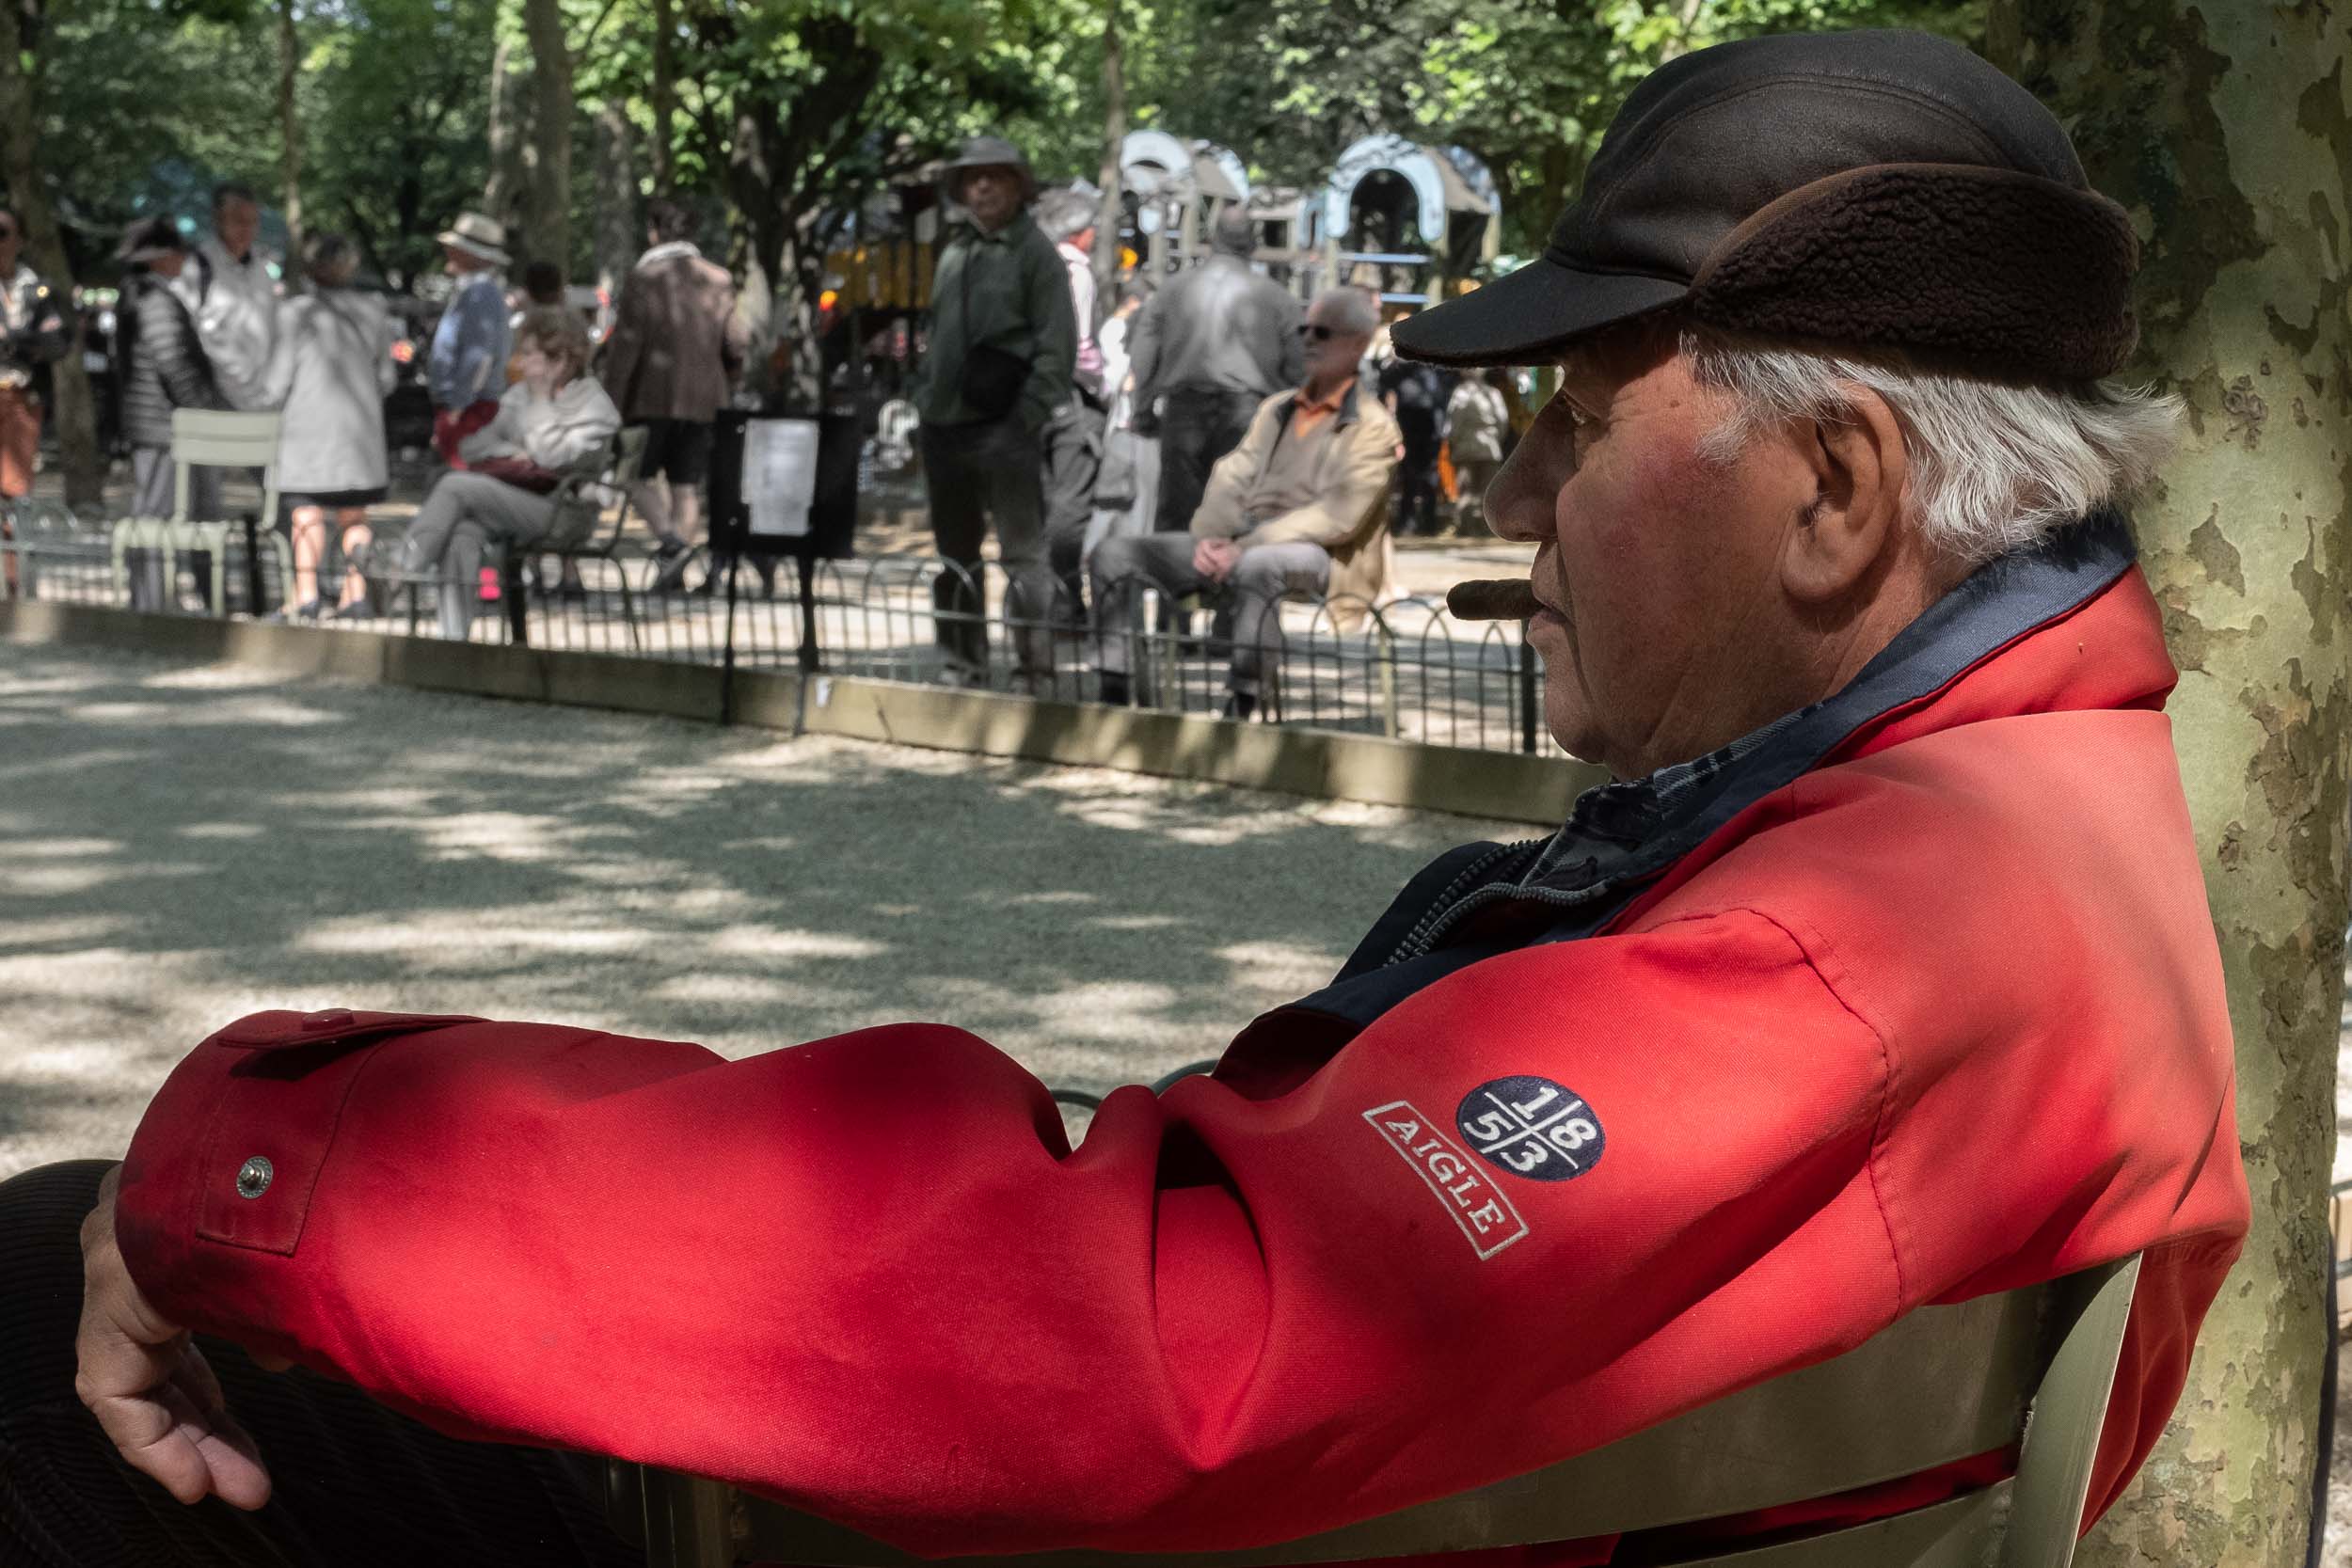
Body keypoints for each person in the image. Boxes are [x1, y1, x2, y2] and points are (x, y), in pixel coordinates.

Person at [5, 31, 2248, 1568]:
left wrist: (290, 1159)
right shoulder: (2035, 812)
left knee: (53, 1305)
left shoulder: (1856, 947)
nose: (1527, 497)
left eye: (1575, 417)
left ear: (1837, 493)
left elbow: (1167, 1324)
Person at [1090, 287, 1397, 719]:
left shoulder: (1375, 427)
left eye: (1322, 332)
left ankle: (1243, 702)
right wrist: (1212, 539)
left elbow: (1338, 517)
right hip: (1239, 540)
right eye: (1303, 330)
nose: (1308, 340)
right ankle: (1113, 691)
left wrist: (1246, 546)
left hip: (1323, 556)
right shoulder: (1277, 409)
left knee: (1259, 566)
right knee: (1113, 554)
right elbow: (1230, 475)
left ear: (1358, 344)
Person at [914, 135, 1076, 688]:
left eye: (995, 175)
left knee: (1023, 555)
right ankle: (964, 663)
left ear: (1018, 186)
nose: (981, 185)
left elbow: (1059, 352)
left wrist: (1024, 417)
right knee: (955, 556)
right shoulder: (954, 250)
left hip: (1006, 428)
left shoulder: (1038, 257)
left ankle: (1035, 667)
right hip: (944, 426)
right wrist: (927, 403)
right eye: (972, 177)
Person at [396, 307, 619, 641]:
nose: (520, 361)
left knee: (456, 485)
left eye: (529, 354)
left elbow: (553, 457)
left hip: (566, 513)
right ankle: (452, 642)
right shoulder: (519, 396)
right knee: (464, 533)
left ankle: (398, 574)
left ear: (560, 361)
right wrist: (513, 453)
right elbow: (473, 448)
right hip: (517, 501)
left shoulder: (594, 405)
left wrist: (541, 404)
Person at [597, 198, 747, 594]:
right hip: (705, 400)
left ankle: (672, 544)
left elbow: (625, 348)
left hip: (651, 396)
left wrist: (612, 400)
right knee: (685, 485)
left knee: (633, 476)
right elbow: (737, 342)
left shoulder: (644, 277)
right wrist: (726, 379)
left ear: (655, 230)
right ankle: (675, 570)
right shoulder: (718, 278)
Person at [1127, 205, 1302, 537]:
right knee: (1237, 514)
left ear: (1212, 239)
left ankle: (1179, 586)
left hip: (1184, 408)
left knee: (1179, 513)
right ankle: (1229, 585)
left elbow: (1144, 354)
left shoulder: (1172, 291)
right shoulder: (1277, 298)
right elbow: (1298, 366)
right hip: (1248, 413)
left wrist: (1142, 406)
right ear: (1253, 243)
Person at [261, 232, 396, 621]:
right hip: (360, 433)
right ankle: (355, 595)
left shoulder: (295, 313)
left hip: (308, 431)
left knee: (307, 515)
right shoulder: (373, 311)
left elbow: (275, 382)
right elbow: (386, 377)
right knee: (355, 516)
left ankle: (305, 595)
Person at [115, 216, 230, 611]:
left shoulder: (140, 294)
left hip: (156, 421)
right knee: (157, 517)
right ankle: (149, 604)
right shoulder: (153, 298)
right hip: (166, 425)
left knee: (163, 515)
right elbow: (172, 360)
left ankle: (160, 599)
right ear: (163, 257)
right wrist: (201, 408)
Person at [1036, 187, 1109, 619]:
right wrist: (1102, 385)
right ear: (1080, 233)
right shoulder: (1076, 272)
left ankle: (1031, 597)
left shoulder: (1032, 268)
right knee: (1070, 502)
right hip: (1070, 399)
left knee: (1041, 498)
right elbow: (1080, 344)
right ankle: (1063, 600)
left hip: (1032, 399)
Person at [0, 201, 70, 586]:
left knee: (13, 494)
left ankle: (16, 584)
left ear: (20, 240)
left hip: (19, 400)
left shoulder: (37, 288)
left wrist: (13, 341)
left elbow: (58, 342)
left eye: (3, 233)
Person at [182, 183, 278, 414]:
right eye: (238, 220)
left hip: (260, 403)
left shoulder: (263, 272)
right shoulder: (197, 269)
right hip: (215, 404)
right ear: (218, 220)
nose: (247, 229)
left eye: (252, 221)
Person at [426, 212, 514, 467]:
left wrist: (457, 407)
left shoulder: (481, 294)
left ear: (474, 255)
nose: (448, 251)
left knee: (458, 475)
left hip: (469, 407)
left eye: (456, 248)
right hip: (466, 404)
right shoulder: (475, 291)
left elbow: (479, 357)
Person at [1378, 350, 1450, 536]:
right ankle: (1410, 523)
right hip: (1411, 431)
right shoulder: (1405, 369)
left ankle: (1426, 523)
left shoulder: (1431, 369)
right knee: (1412, 478)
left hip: (1428, 431)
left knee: (1426, 478)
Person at [1442, 367, 1508, 537]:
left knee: (1466, 491)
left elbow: (1454, 424)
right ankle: (1488, 528)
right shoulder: (1493, 394)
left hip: (1465, 449)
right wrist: (1495, 439)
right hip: (1490, 448)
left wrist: (1453, 442)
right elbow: (1503, 421)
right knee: (1488, 492)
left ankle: (1466, 528)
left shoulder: (1460, 394)